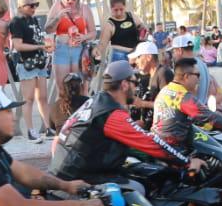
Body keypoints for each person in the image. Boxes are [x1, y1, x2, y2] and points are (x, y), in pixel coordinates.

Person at [53, 60, 192, 181]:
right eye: (135, 82)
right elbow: (149, 141)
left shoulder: (97, 101)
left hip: (66, 173)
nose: (136, 87)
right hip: (73, 180)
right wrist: (186, 162)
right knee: (138, 189)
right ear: (125, 84)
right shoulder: (110, 113)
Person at [153, 56, 222, 155]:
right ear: (186, 76)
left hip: (159, 142)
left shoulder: (166, 90)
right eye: (197, 75)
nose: (199, 79)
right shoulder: (182, 96)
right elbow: (210, 117)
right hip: (173, 149)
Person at [8, 0, 53, 141]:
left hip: (39, 63)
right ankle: (31, 130)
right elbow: (18, 46)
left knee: (43, 97)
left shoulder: (33, 20)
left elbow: (37, 39)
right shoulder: (16, 22)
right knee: (28, 99)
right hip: (26, 64)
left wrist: (43, 46)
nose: (34, 8)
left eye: (36, 5)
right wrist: (40, 47)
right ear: (21, 5)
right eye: (31, 5)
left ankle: (48, 128)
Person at [46, 0, 94, 110]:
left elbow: (93, 32)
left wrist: (83, 37)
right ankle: (61, 122)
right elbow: (48, 29)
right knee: (62, 90)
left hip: (79, 51)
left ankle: (81, 119)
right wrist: (58, 17)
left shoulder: (84, 9)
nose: (71, 0)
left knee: (81, 89)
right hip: (62, 49)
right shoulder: (57, 7)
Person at [98, 0, 142, 64]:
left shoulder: (131, 16)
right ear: (111, 9)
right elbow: (103, 44)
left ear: (125, 7)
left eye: (121, 9)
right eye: (116, 10)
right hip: (119, 56)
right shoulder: (109, 24)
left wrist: (143, 32)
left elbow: (142, 27)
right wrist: (97, 52)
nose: (119, 13)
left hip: (135, 54)